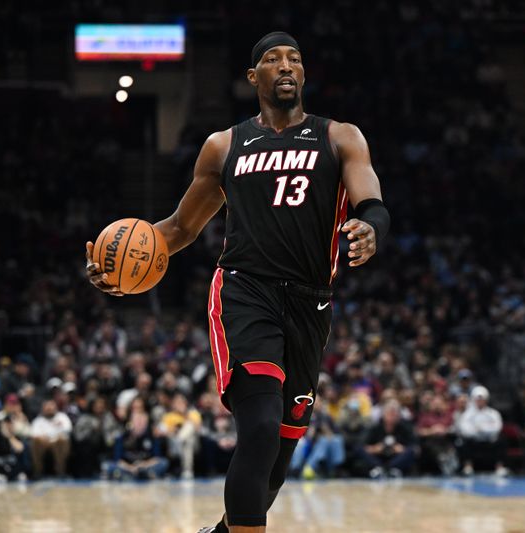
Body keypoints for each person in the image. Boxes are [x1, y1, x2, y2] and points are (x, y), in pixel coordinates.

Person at [85, 31, 389, 533]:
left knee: (282, 450)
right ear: (255, 77)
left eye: (295, 58)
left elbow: (370, 200)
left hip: (312, 302)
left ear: (304, 73)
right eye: (273, 59)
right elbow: (180, 229)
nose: (286, 65)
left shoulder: (340, 136)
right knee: (262, 426)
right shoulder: (225, 145)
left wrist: (371, 228)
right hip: (246, 292)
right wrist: (113, 261)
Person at [455, 385, 507, 476]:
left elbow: (497, 427)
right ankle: (468, 467)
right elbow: (465, 429)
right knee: (463, 441)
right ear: (473, 399)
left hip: (489, 440)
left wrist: (481, 429)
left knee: (501, 439)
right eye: (477, 399)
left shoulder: (493, 413)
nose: (480, 401)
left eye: (482, 399)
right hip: (473, 441)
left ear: (486, 400)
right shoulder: (467, 414)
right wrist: (479, 431)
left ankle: (499, 467)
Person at [30, 399, 72, 478]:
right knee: (36, 441)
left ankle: (60, 471)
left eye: (51, 406)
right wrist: (44, 439)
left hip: (58, 442)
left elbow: (67, 430)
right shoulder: (38, 420)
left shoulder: (62, 417)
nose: (49, 408)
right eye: (47, 407)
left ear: (55, 407)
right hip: (44, 443)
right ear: (43, 409)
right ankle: (38, 471)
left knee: (61, 440)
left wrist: (55, 439)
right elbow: (34, 434)